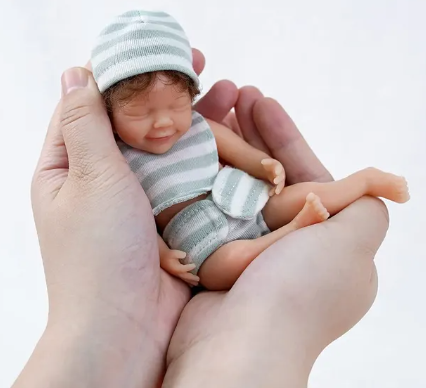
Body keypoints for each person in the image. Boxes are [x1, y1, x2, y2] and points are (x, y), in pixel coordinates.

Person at [12, 48, 390, 388]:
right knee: (222, 266)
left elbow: (239, 151)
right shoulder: (121, 161)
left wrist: (264, 165)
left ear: (190, 98)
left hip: (238, 195)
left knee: (294, 196)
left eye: (176, 107)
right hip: (198, 237)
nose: (162, 123)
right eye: (140, 113)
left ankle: (362, 182)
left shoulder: (200, 127)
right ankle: (294, 229)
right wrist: (160, 255)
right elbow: (140, 219)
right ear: (109, 115)